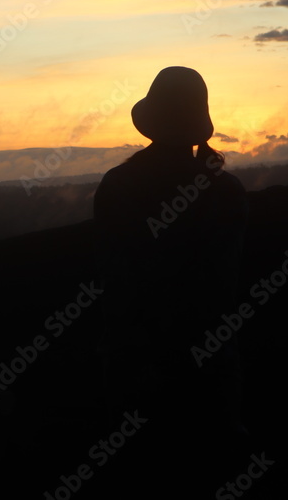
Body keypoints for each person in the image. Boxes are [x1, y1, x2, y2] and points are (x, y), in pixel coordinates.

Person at [92, 66, 249, 493]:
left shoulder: (118, 186)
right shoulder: (226, 191)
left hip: (137, 368)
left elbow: (112, 278)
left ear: (151, 124)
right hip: (212, 370)